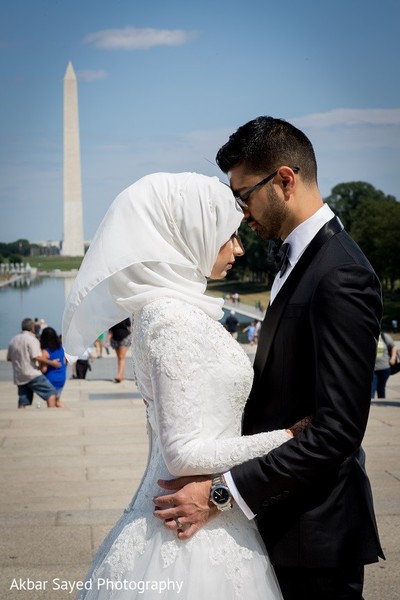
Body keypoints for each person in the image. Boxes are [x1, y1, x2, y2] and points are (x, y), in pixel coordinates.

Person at [153, 118, 384, 600]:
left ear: (284, 180)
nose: (240, 212)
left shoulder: (340, 273)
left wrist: (220, 493)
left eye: (244, 195)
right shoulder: (296, 257)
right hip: (278, 519)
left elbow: (338, 431)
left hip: (314, 532)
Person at [62, 172, 310, 600]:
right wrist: (285, 438)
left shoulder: (178, 311)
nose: (238, 247)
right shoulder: (169, 320)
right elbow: (182, 455)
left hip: (212, 512)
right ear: (188, 235)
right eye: (227, 236)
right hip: (185, 524)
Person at [7, 318, 62, 408]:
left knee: (23, 399)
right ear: (32, 328)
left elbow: (9, 358)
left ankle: (21, 416)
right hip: (32, 374)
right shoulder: (32, 339)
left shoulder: (13, 340)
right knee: (51, 393)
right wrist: (51, 363)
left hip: (19, 375)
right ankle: (52, 414)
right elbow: (36, 357)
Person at [40, 326, 67, 406]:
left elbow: (43, 369)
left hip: (51, 379)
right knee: (57, 401)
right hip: (62, 378)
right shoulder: (61, 349)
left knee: (51, 401)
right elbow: (65, 362)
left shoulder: (45, 351)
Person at [372, 331, 398, 398]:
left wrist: (393, 357)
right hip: (372, 369)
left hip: (385, 368)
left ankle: (381, 402)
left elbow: (393, 347)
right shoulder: (368, 335)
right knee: (372, 388)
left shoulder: (384, 336)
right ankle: (371, 405)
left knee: (381, 388)